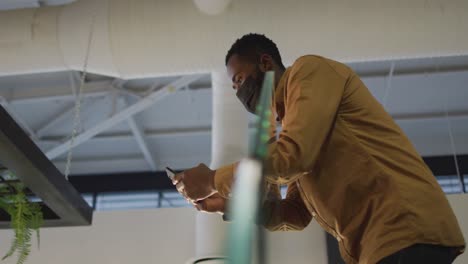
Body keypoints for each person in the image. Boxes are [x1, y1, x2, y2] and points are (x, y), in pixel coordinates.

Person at [172, 33, 465, 264]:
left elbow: (292, 157)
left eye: (239, 80)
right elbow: (294, 214)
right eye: (234, 89)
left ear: (265, 63)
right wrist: (230, 204)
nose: (239, 92)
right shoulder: (293, 125)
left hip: (401, 229)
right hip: (376, 245)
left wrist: (213, 180)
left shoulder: (308, 71)